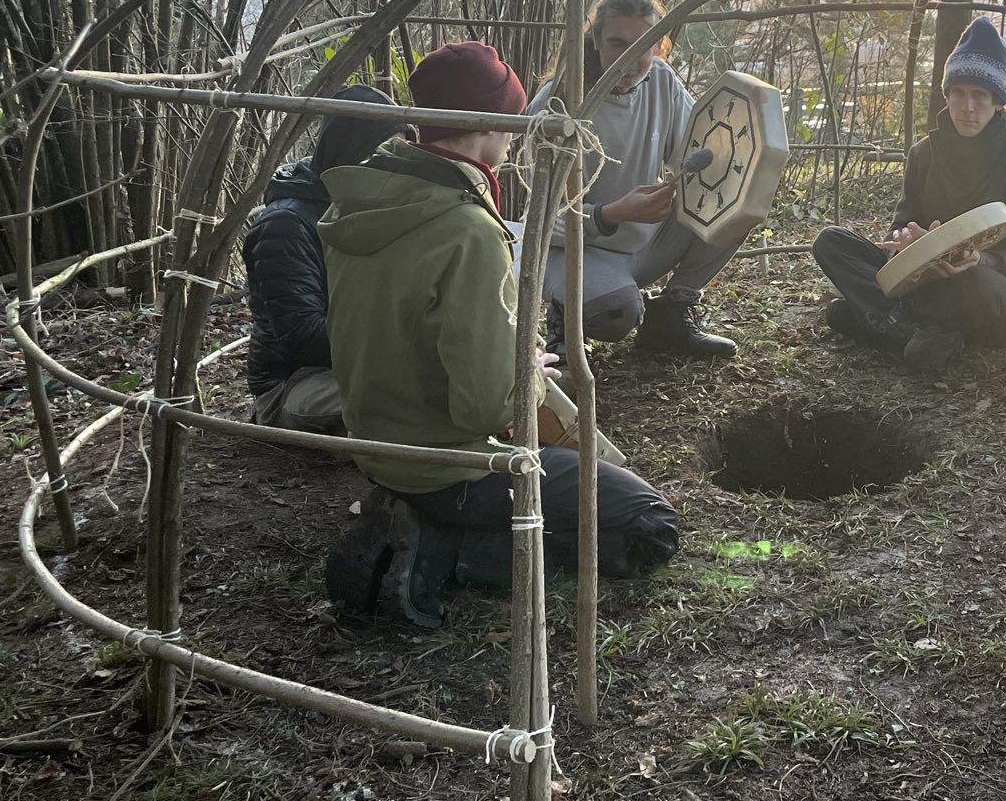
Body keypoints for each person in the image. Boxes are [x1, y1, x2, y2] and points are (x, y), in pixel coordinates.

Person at [317, 40, 680, 628]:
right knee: (650, 527)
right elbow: (488, 406)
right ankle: (442, 550)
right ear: (490, 123)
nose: (516, 136)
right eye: (512, 119)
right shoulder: (465, 229)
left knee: (590, 477)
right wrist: (527, 373)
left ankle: (418, 514)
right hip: (451, 467)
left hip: (378, 446)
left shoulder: (363, 201)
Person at [812, 15, 1006, 371]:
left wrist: (983, 260)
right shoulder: (923, 154)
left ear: (998, 101)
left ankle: (882, 317)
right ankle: (909, 329)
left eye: (979, 95)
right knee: (831, 241)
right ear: (946, 94)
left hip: (992, 289)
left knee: (965, 281)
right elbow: (902, 223)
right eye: (958, 93)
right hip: (923, 279)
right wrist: (904, 243)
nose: (967, 106)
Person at [531, 0, 739, 359]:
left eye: (642, 46)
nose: (629, 59)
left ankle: (670, 317)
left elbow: (695, 154)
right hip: (577, 252)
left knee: (739, 202)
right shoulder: (556, 104)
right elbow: (540, 222)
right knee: (617, 315)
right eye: (617, 44)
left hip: (646, 242)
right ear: (596, 41)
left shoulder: (661, 80)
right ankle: (566, 315)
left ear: (657, 46)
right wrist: (611, 214)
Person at [240, 85, 407, 433]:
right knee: (412, 396)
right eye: (384, 152)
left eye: (400, 152)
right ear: (350, 150)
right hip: (294, 384)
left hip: (359, 364)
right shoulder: (286, 224)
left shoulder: (370, 207)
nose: (394, 166)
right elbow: (303, 337)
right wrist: (402, 347)